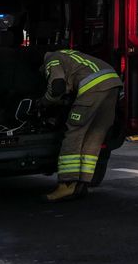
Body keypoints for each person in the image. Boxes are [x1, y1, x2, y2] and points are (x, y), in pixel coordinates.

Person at [40, 47, 120, 203]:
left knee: (74, 133)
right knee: (95, 135)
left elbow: (57, 87)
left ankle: (66, 184)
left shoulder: (51, 59)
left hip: (93, 87)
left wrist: (43, 102)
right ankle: (82, 184)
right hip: (113, 83)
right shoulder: (69, 55)